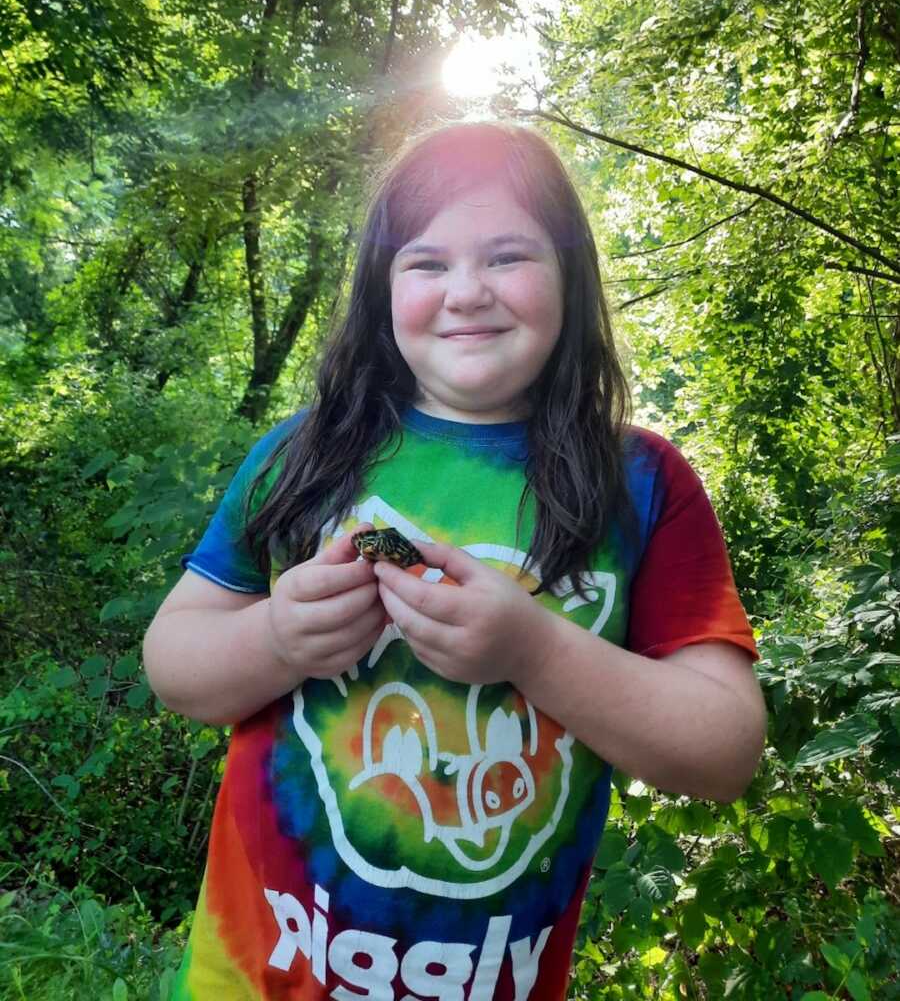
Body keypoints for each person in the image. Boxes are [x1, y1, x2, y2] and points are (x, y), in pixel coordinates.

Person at [143, 121, 766, 1001]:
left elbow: (724, 751)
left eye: (507, 256)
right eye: (426, 264)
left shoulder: (642, 483)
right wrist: (281, 639)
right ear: (379, 291)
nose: (466, 292)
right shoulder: (300, 457)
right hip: (249, 978)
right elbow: (176, 669)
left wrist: (532, 651)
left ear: (571, 277)